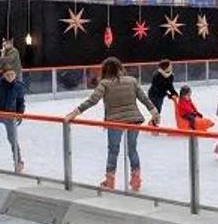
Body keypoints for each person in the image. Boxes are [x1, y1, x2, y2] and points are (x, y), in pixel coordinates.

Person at [65, 57, 159, 191]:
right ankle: (136, 179)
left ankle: (110, 180)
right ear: (121, 68)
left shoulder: (105, 83)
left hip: (115, 121)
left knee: (113, 150)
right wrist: (154, 112)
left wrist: (74, 113)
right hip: (134, 119)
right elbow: (144, 98)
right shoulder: (132, 81)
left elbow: (92, 100)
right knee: (132, 149)